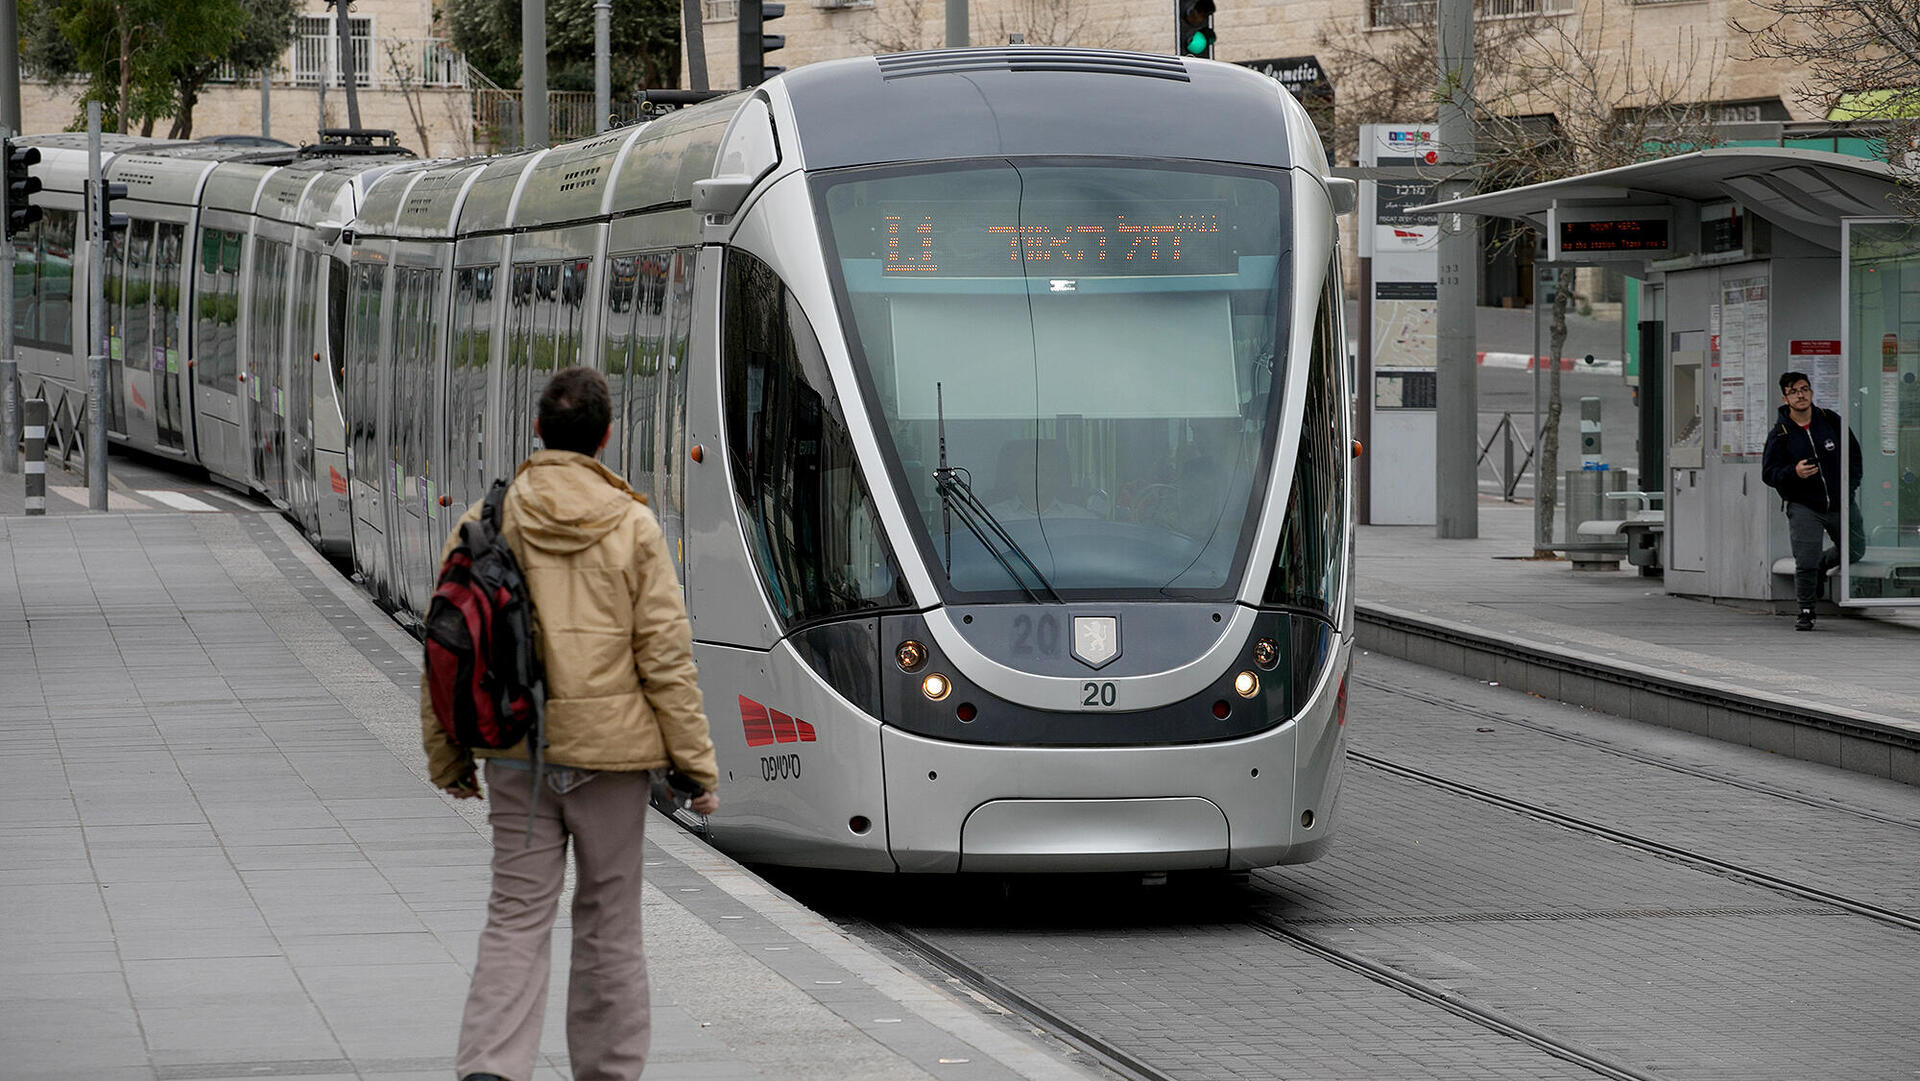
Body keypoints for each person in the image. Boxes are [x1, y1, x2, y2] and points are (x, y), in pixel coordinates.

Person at [421, 366, 719, 1081]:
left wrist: (449, 757)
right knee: (610, 921)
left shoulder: (489, 519)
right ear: (607, 436)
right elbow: (666, 659)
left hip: (518, 750)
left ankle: (491, 1067)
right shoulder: (634, 525)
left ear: (538, 433)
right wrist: (697, 768)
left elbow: (446, 643)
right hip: (612, 760)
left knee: (516, 912)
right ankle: (609, 1072)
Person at [1760, 370, 1865, 632]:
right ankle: (1806, 610)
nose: (1800, 395)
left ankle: (1821, 564)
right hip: (1804, 505)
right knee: (1805, 560)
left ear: (1811, 392)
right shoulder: (1781, 433)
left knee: (1855, 549)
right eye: (1794, 391)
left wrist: (1849, 488)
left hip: (1840, 502)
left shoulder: (1830, 420)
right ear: (1785, 398)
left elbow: (1853, 457)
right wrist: (1793, 473)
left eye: (1804, 389)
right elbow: (1769, 473)